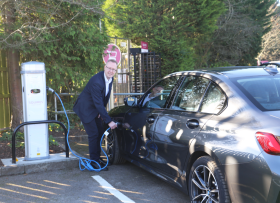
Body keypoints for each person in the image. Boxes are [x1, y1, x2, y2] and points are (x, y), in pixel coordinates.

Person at [73, 59, 118, 171]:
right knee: (93, 134)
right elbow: (98, 102)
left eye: (113, 69)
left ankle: (97, 158)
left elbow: (104, 98)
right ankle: (93, 161)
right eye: (109, 68)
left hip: (95, 109)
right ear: (105, 67)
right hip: (86, 109)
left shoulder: (110, 79)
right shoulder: (97, 81)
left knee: (100, 132)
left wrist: (100, 113)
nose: (111, 71)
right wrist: (108, 120)